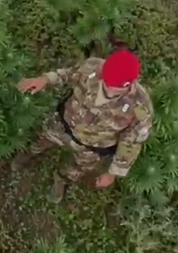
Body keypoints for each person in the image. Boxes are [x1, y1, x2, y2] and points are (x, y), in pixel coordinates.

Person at [15, 49, 154, 203]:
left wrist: (113, 173)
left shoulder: (140, 107)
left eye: (112, 86)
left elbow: (132, 142)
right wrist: (46, 79)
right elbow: (69, 74)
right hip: (62, 125)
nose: (105, 87)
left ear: (128, 85)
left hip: (91, 149)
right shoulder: (93, 67)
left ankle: (61, 179)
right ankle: (29, 153)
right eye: (105, 80)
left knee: (76, 170)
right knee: (41, 139)